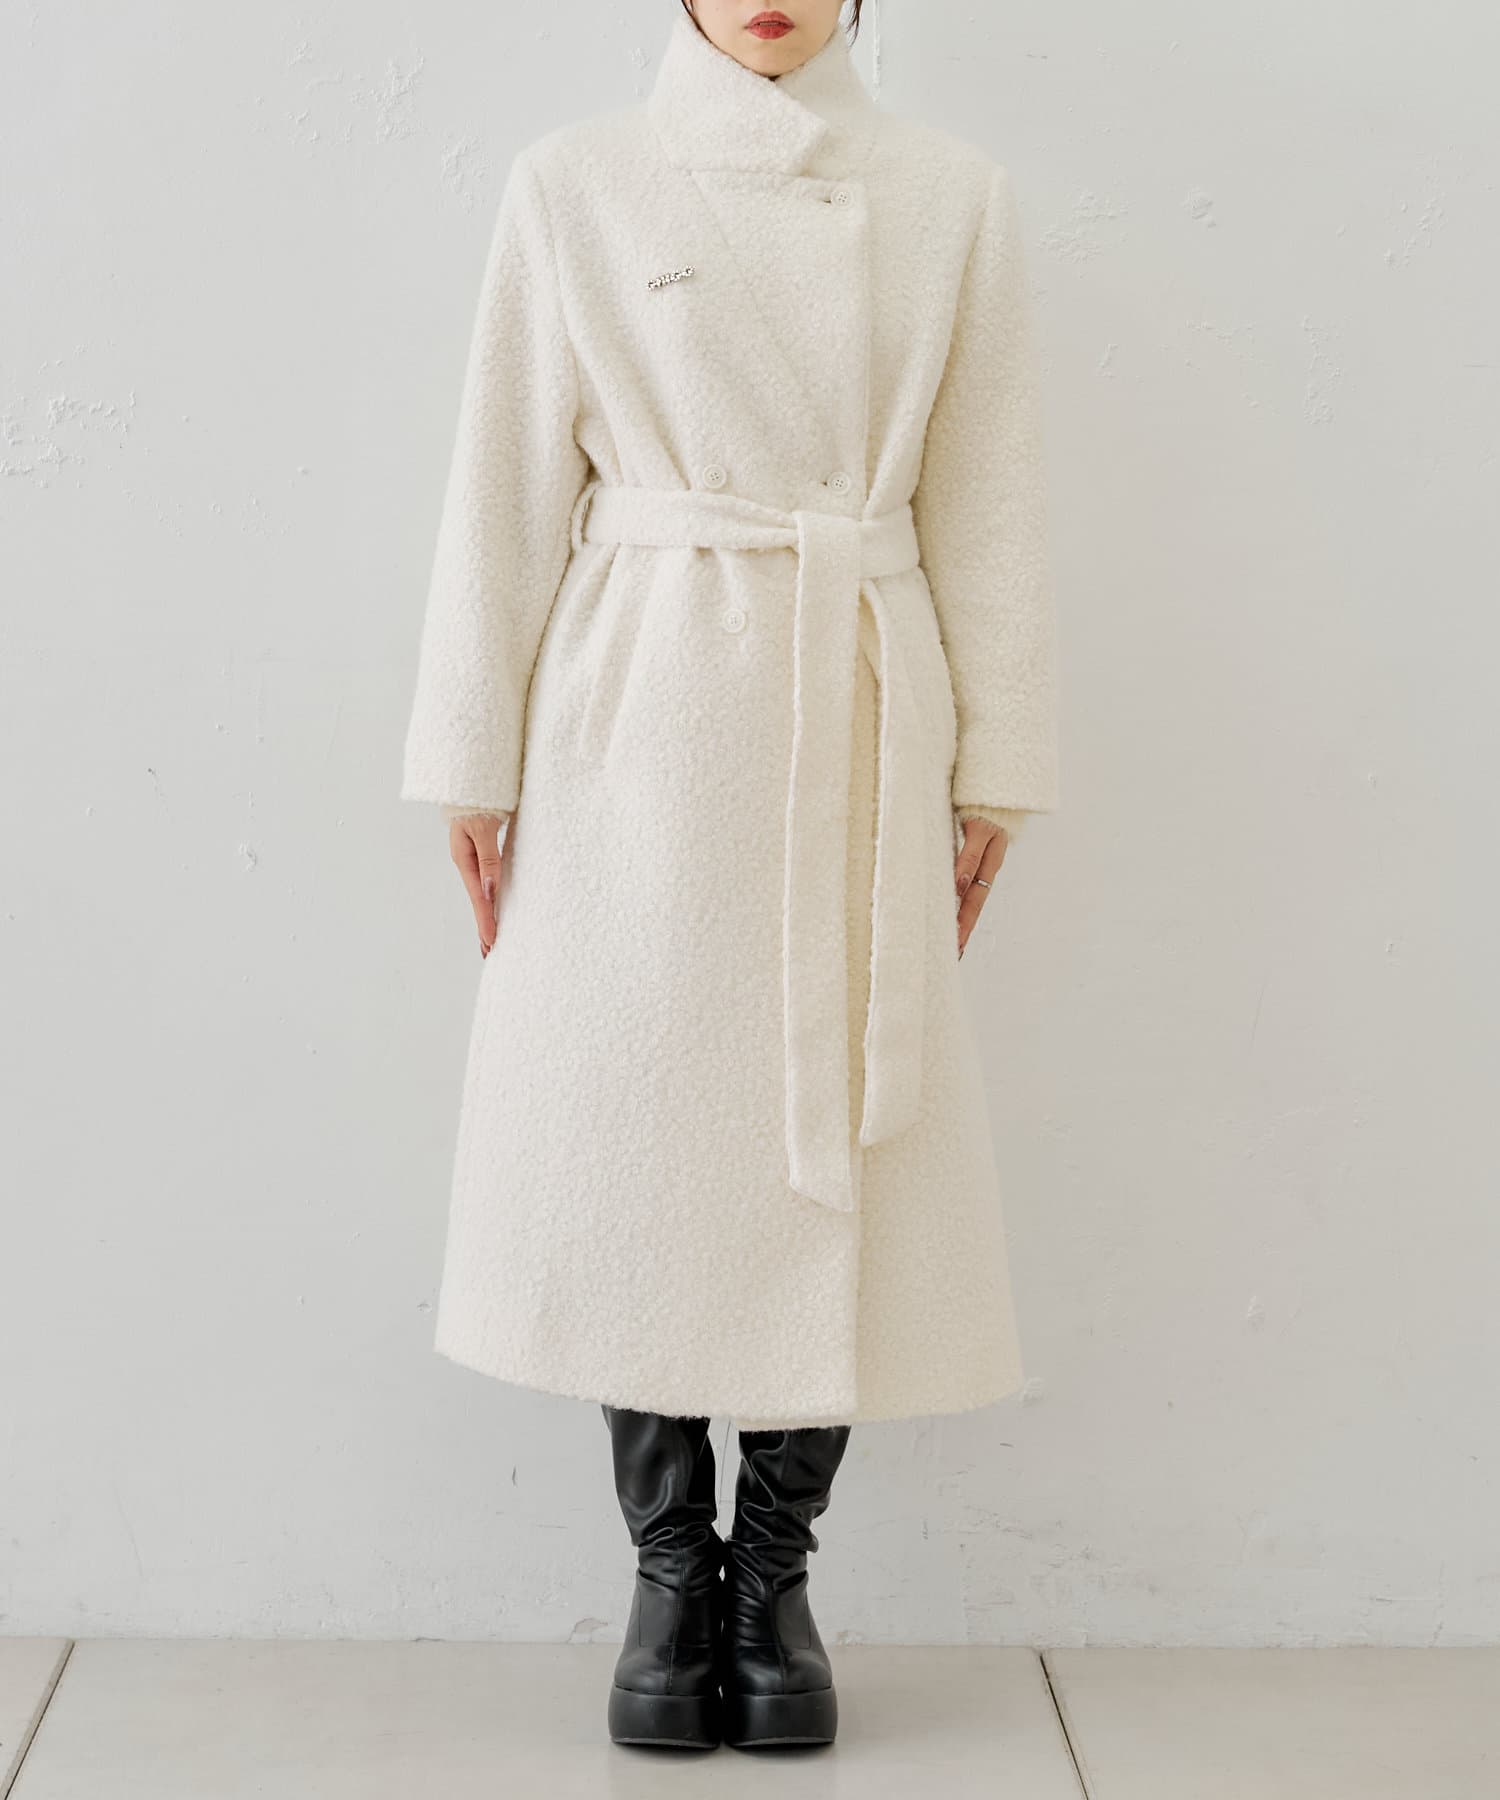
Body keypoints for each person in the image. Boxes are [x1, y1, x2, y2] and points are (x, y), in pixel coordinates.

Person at [400, 0, 1060, 1753]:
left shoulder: (951, 195)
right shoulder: (576, 182)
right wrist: (470, 756)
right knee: (637, 1134)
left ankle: (771, 1578)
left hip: (858, 705)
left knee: (829, 1133)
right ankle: (663, 1574)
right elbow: (499, 479)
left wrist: (997, 763)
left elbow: (987, 493)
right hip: (637, 712)